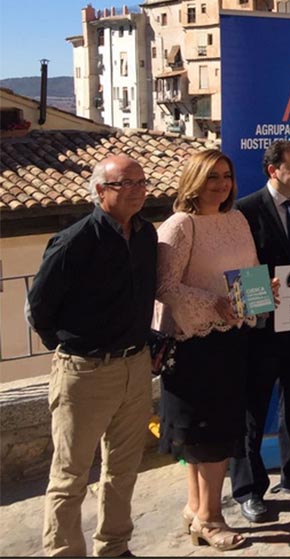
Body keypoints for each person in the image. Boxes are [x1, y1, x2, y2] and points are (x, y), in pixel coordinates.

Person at [27, 155, 156, 558]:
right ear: (100, 191)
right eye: (125, 183)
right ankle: (64, 552)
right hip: (84, 373)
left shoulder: (146, 234)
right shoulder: (73, 242)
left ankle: (114, 547)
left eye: (140, 181)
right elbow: (40, 310)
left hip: (135, 367)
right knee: (70, 477)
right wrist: (75, 350)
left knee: (123, 470)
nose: (136, 189)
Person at [156, 149, 263, 550]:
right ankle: (211, 518)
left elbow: (248, 272)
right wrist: (212, 303)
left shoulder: (236, 219)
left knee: (217, 432)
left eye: (226, 176)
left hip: (231, 340)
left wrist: (258, 294)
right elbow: (164, 287)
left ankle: (195, 509)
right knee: (203, 436)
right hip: (193, 346)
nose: (221, 184)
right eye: (211, 176)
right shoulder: (180, 225)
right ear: (193, 180)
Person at [230, 141, 290, 525]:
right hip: (263, 329)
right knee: (253, 411)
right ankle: (249, 490)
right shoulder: (245, 210)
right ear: (273, 170)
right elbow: (240, 268)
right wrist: (262, 291)